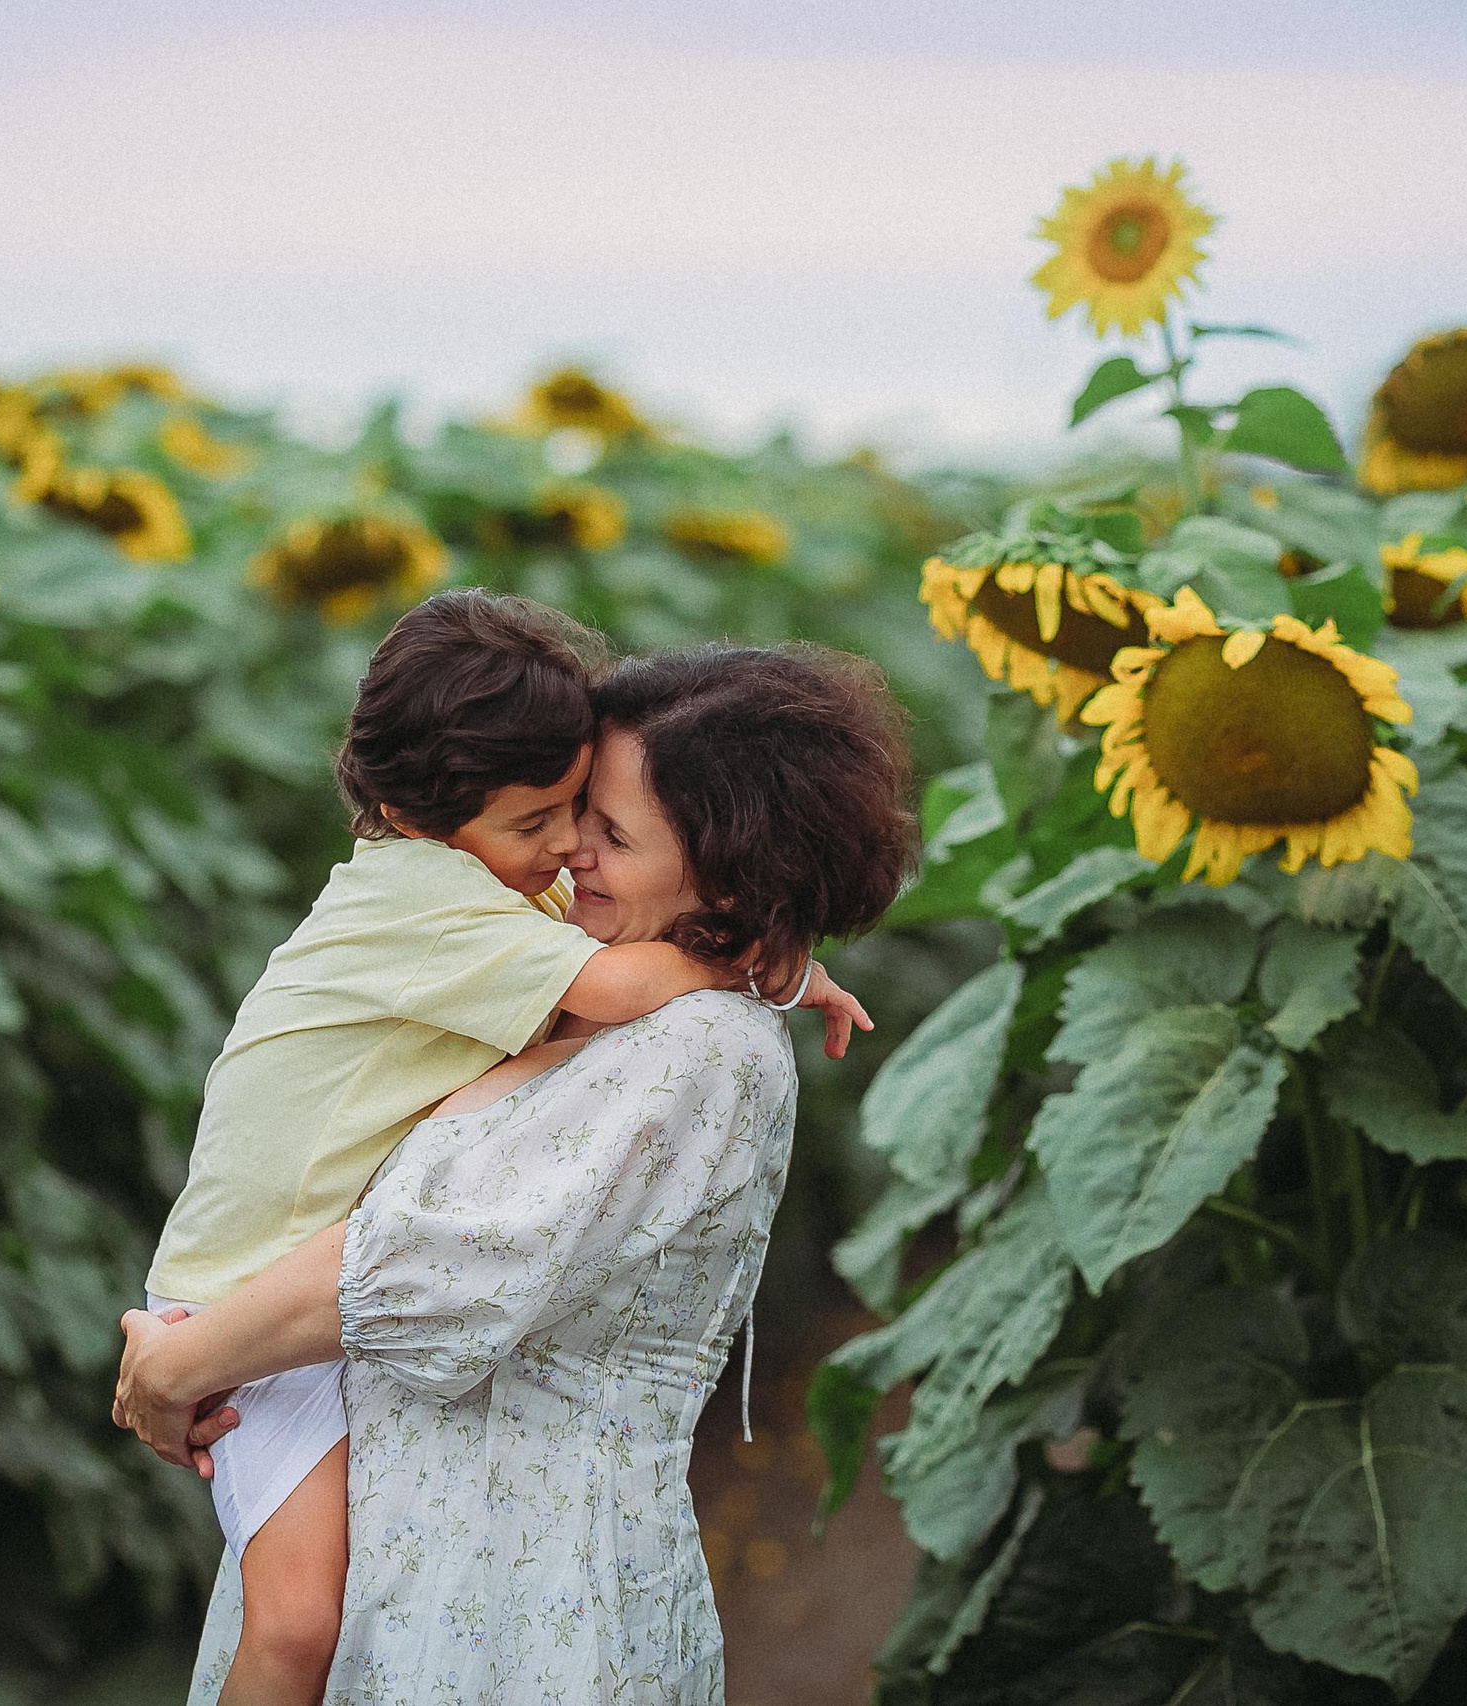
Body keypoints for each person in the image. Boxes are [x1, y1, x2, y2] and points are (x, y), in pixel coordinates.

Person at [116, 642, 919, 1705]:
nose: (570, 851)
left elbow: (426, 1267)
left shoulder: (696, 1047)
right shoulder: (543, 956)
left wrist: (176, 1363)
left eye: (610, 830)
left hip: (511, 1599)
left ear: (726, 873)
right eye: (569, 810)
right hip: (409, 1560)